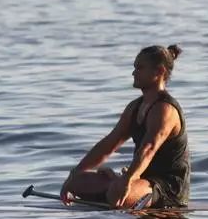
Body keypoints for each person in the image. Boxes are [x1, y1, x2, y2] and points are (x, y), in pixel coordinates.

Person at [59, 44, 190, 209]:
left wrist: (127, 180)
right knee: (78, 181)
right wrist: (74, 174)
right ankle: (115, 191)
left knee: (115, 191)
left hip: (167, 187)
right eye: (134, 67)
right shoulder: (134, 107)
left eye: (140, 68)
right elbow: (108, 144)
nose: (134, 73)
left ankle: (119, 193)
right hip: (139, 180)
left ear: (159, 72)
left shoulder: (165, 110)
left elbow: (148, 149)